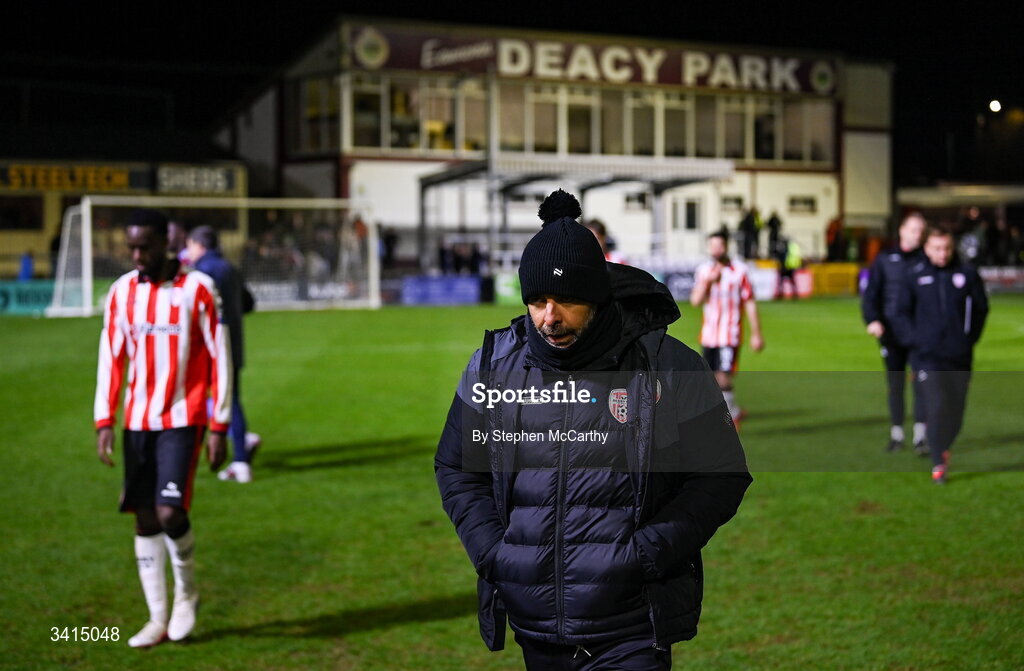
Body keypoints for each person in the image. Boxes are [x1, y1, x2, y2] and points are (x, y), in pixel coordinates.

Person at [435, 189, 751, 670]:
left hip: (631, 629)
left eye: (565, 299)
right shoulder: (493, 368)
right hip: (535, 628)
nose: (549, 316)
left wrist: (647, 553)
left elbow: (721, 474)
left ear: (597, 298)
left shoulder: (667, 366)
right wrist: (495, 554)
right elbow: (457, 467)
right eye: (537, 300)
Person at [94, 209, 231, 647]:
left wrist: (219, 425)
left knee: (170, 510)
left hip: (183, 417)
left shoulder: (198, 289)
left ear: (165, 245)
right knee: (144, 516)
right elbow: (111, 357)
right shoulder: (121, 293)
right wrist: (104, 419)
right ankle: (156, 617)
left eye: (144, 247)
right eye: (130, 247)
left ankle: (186, 594)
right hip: (137, 421)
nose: (136, 255)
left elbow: (220, 356)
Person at [891, 226, 989, 484]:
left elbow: (981, 308)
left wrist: (969, 339)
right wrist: (914, 341)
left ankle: (943, 447)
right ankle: (937, 464)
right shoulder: (914, 274)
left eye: (947, 248)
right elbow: (900, 313)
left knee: (956, 413)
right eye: (937, 248)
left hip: (959, 356)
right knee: (936, 407)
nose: (942, 254)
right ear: (926, 248)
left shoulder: (966, 274)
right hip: (927, 357)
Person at [185, 226, 261, 483]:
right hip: (233, 344)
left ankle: (240, 460)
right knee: (226, 397)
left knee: (222, 400)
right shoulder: (230, 268)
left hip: (212, 349)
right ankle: (242, 439)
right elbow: (249, 303)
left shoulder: (202, 273)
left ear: (198, 245)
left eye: (190, 245)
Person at [861, 212, 928, 454]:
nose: (917, 235)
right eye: (913, 229)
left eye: (921, 231)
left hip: (921, 335)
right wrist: (873, 320)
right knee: (896, 385)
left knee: (923, 384)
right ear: (902, 230)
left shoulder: (927, 259)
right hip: (891, 334)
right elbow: (872, 295)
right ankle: (897, 434)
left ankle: (921, 436)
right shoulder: (885, 259)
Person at [689, 229, 765, 428]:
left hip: (730, 334)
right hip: (708, 335)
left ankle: (731, 416)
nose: (716, 250)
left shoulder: (739, 271)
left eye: (720, 245)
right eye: (712, 245)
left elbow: (749, 302)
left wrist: (756, 334)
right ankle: (733, 410)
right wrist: (708, 282)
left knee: (723, 376)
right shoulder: (703, 270)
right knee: (711, 378)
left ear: (726, 246)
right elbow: (695, 301)